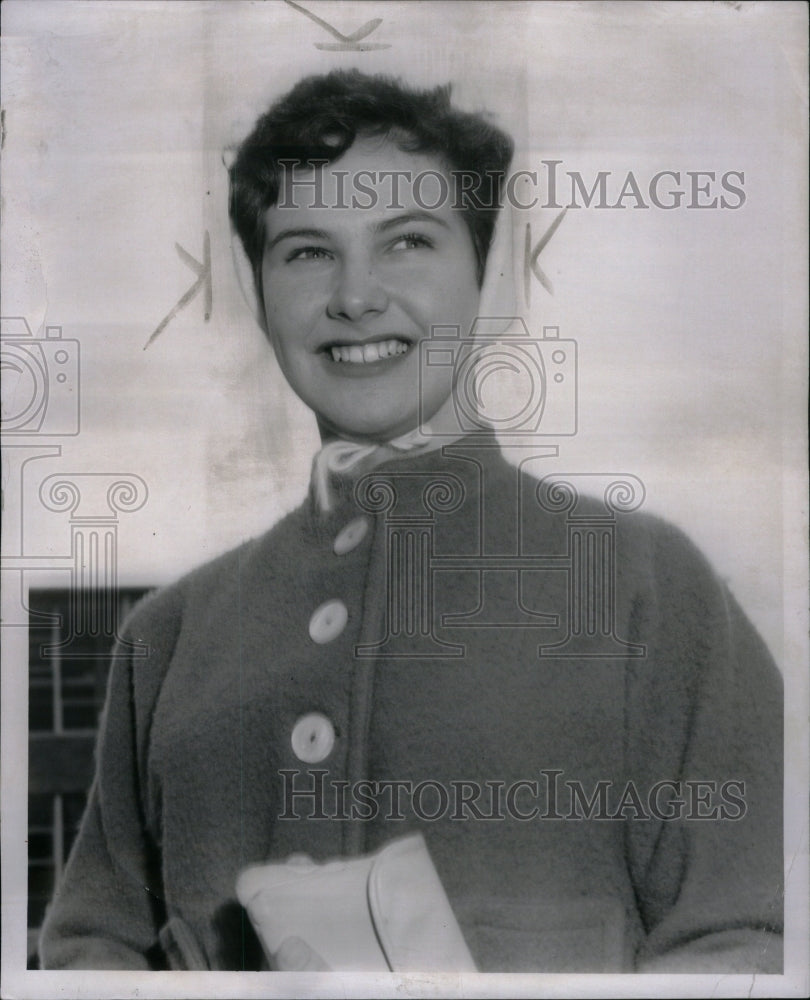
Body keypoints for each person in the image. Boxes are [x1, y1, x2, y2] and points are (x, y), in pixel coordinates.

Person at [39, 69, 783, 974]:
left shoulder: (648, 588)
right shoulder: (165, 639)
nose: (357, 297)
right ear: (258, 287)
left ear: (484, 272)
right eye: (307, 251)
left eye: (407, 242)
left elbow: (748, 941)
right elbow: (91, 954)